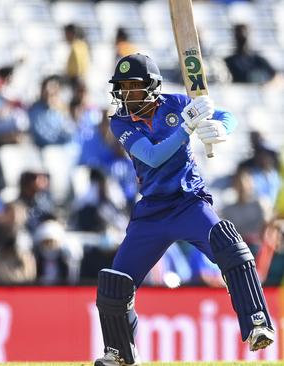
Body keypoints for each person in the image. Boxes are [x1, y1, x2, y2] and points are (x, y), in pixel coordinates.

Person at [93, 53, 274, 366]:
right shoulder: (120, 120)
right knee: (115, 281)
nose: (125, 94)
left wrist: (221, 128)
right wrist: (185, 130)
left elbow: (226, 114)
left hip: (188, 202)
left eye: (132, 88)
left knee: (229, 245)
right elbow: (151, 156)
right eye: (121, 88)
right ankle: (120, 352)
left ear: (151, 86)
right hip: (151, 211)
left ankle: (257, 321)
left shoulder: (177, 103)